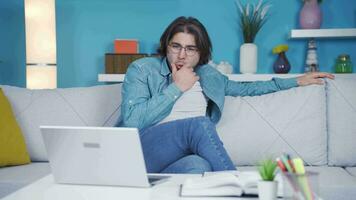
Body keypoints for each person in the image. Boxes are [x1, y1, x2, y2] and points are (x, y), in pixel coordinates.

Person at [118, 16, 334, 174]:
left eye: (190, 49)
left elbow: (250, 89)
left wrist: (297, 80)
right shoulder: (143, 69)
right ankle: (239, 189)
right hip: (140, 153)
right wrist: (176, 88)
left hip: (166, 165)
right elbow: (132, 121)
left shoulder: (210, 77)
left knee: (199, 166)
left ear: (201, 52)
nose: (182, 55)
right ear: (166, 46)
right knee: (198, 125)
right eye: (176, 46)